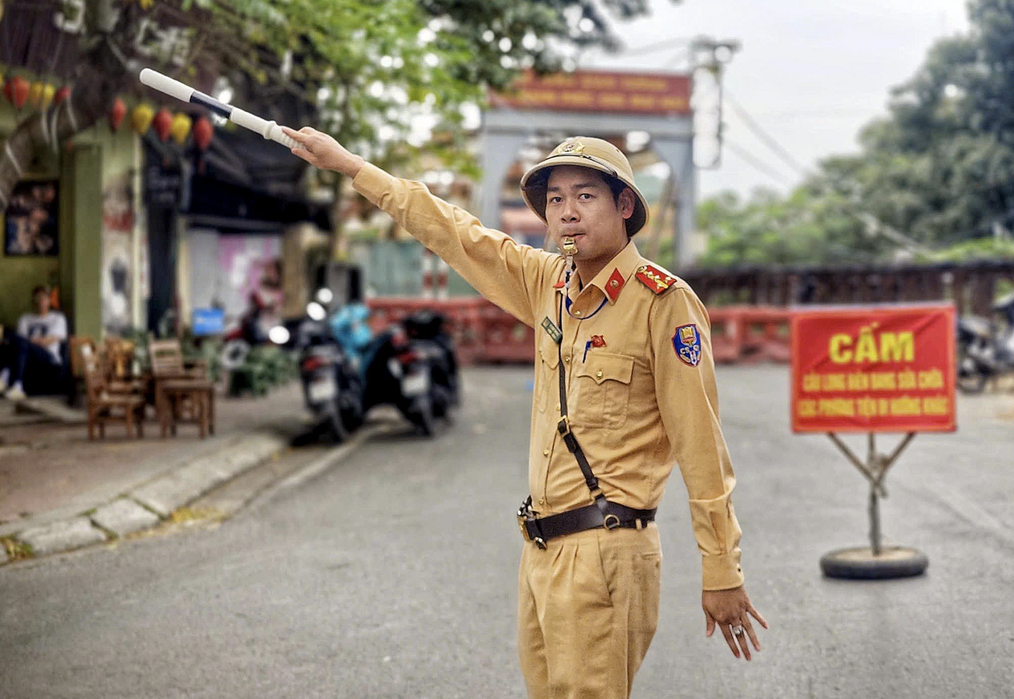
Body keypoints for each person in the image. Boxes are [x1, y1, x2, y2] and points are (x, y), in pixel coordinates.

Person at [283, 127, 768, 698]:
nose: (567, 213)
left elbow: (701, 444)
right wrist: (349, 165)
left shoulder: (663, 303)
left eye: (585, 195)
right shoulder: (549, 285)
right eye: (555, 199)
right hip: (540, 550)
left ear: (625, 205)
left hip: (608, 549)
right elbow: (453, 232)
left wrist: (721, 569)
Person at [0, 285, 67, 401]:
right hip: (27, 356)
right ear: (33, 301)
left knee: (20, 342)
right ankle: (17, 387)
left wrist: (32, 341)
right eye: (37, 298)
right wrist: (30, 341)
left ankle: (5, 375)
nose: (40, 301)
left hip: (48, 357)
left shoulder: (58, 318)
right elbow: (18, 344)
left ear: (49, 300)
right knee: (12, 338)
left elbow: (48, 341)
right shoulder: (25, 319)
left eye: (43, 297)